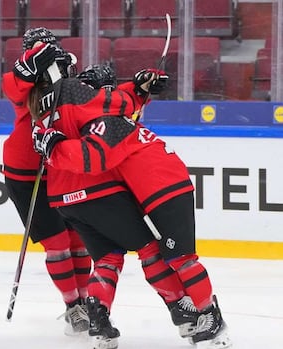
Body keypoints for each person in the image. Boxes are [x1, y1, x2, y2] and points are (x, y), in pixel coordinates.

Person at [29, 59, 231, 348]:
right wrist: (138, 88)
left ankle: (205, 316)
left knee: (137, 257)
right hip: (125, 191)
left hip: (97, 196)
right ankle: (186, 311)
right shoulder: (104, 118)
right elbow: (97, 141)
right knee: (156, 252)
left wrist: (53, 146)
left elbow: (94, 145)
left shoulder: (66, 114)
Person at [1, 27, 91, 337]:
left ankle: (86, 301)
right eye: (37, 49)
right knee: (57, 243)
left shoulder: (67, 74)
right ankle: (72, 306)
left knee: (79, 241)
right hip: (26, 172)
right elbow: (14, 88)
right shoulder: (20, 80)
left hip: (61, 167)